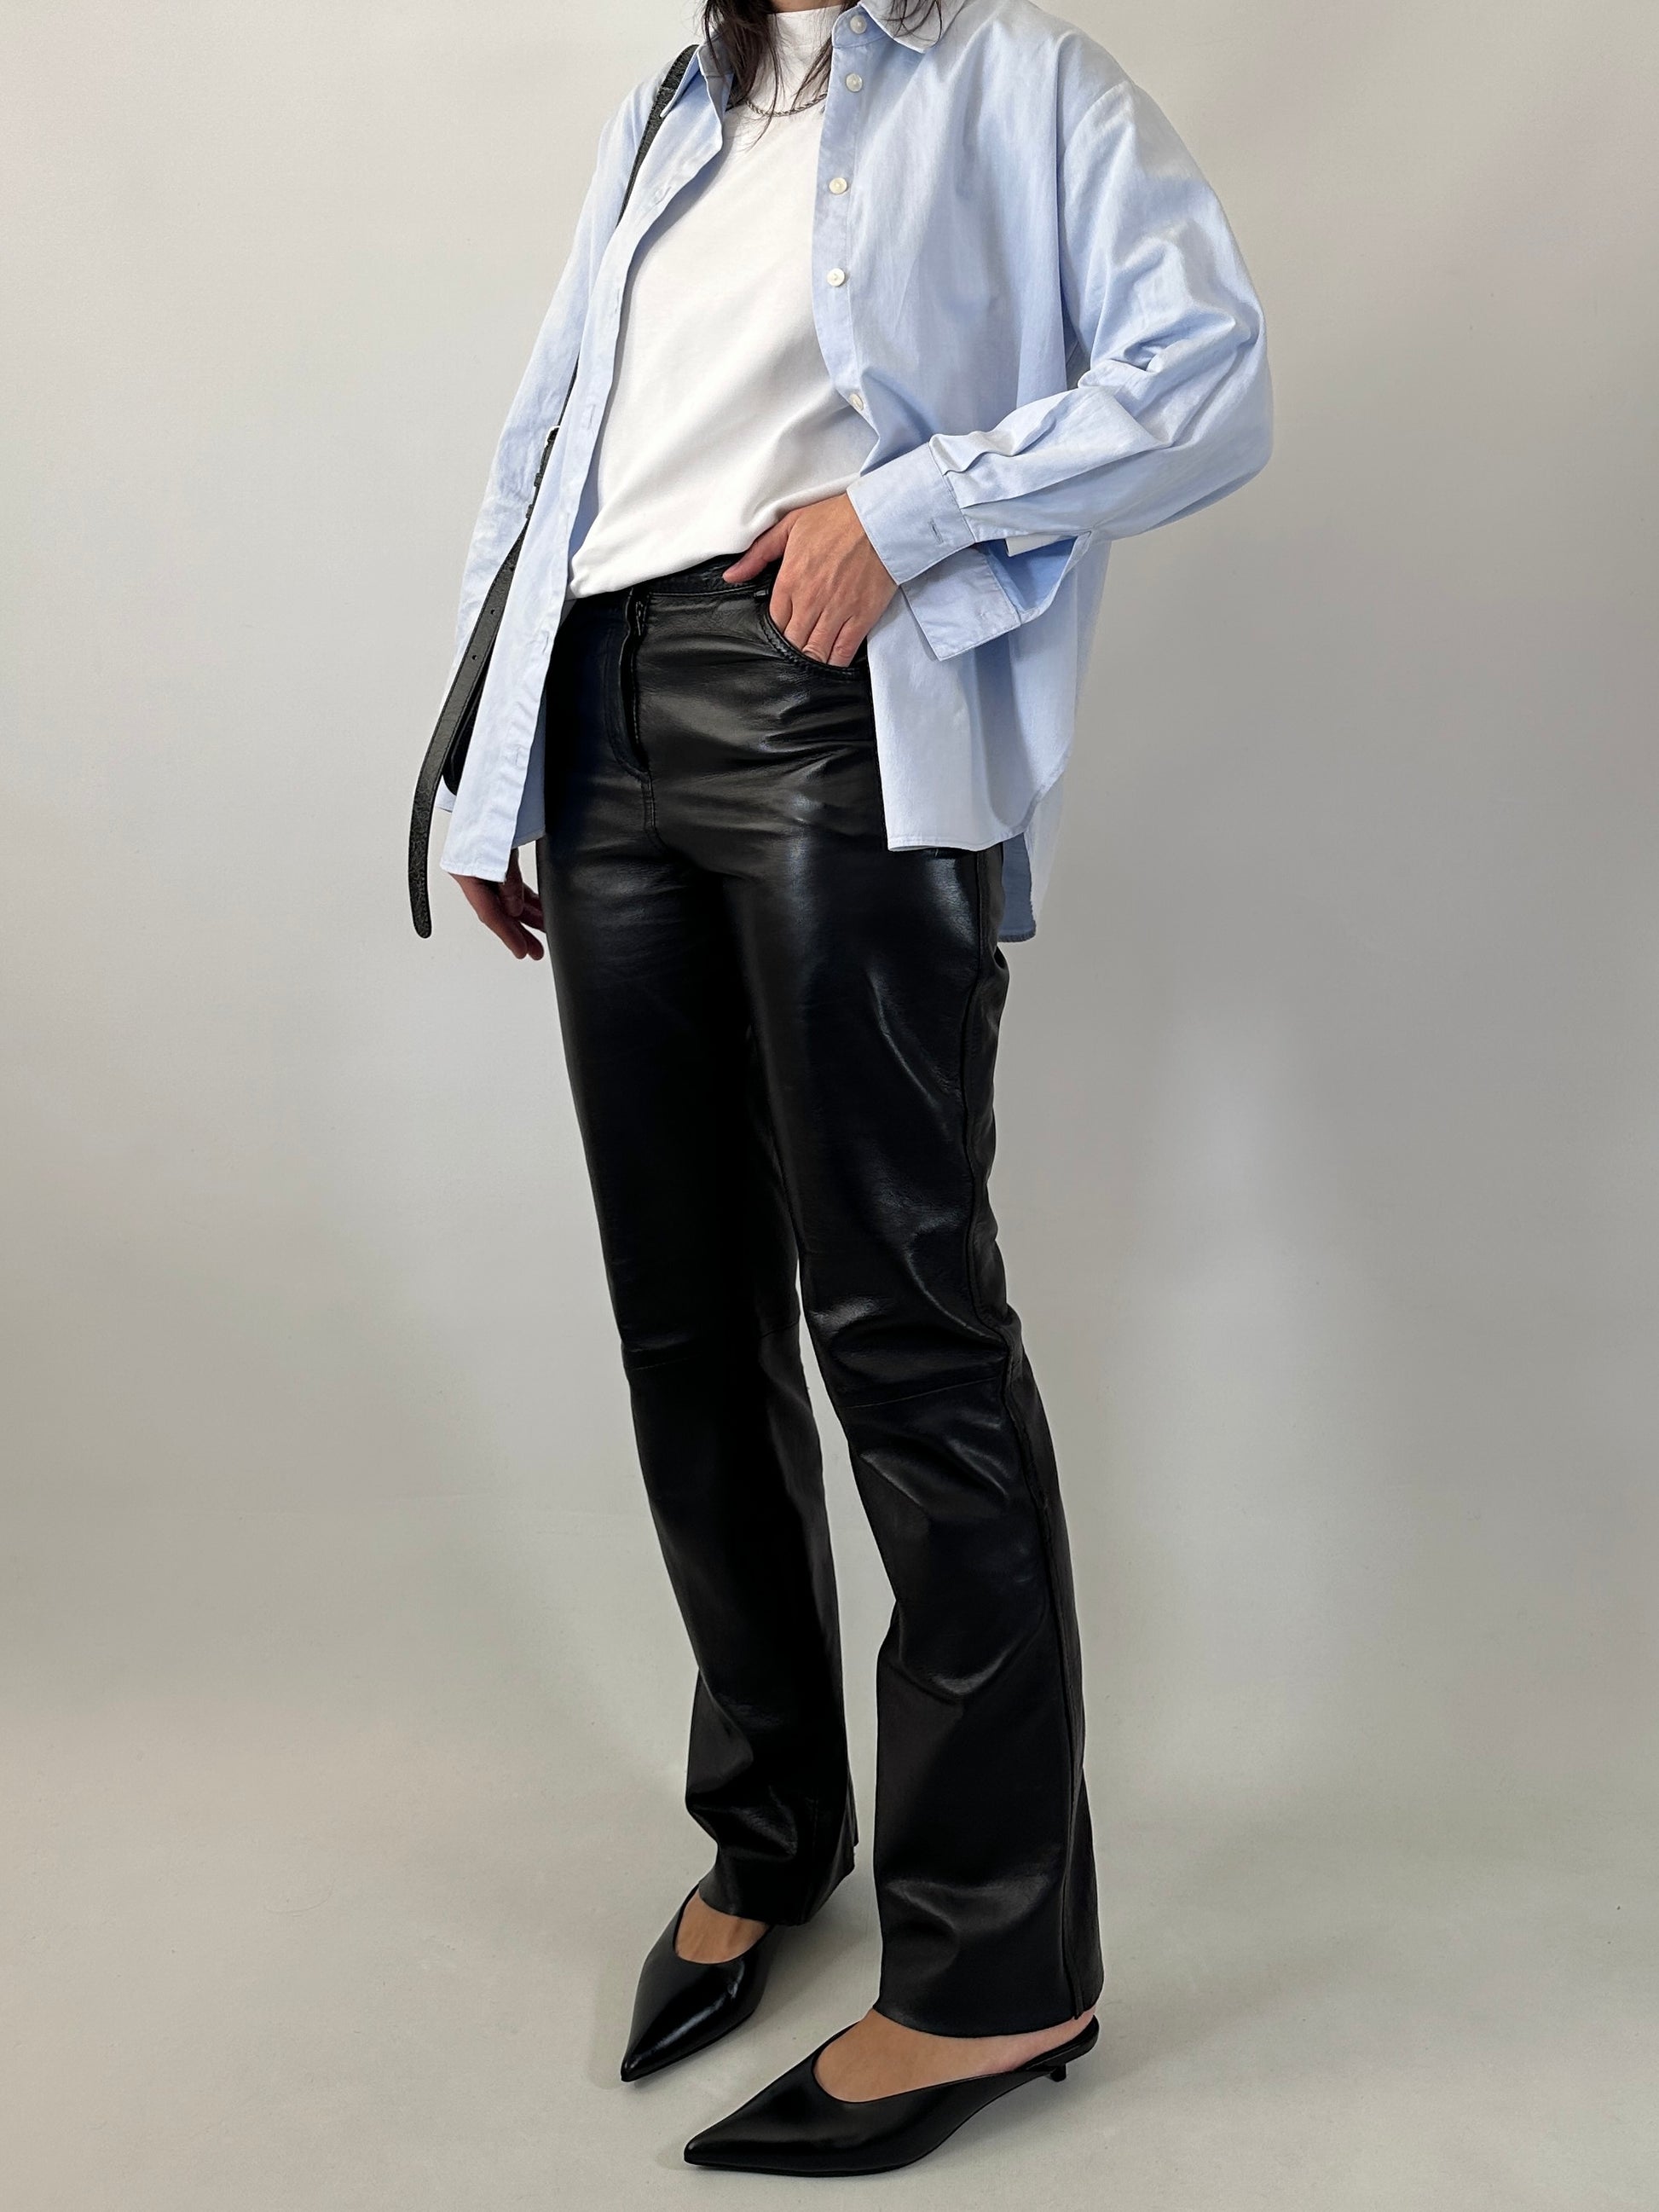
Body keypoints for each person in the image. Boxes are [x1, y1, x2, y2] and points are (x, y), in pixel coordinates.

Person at [432, 0, 1269, 2176]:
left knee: (903, 1326)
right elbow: (562, 429)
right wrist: (494, 748)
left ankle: (998, 1969)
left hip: (827, 698)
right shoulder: (673, 100)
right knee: (684, 1324)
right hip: (602, 705)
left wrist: (908, 510)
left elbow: (1206, 370)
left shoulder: (1023, 84)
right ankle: (773, 1824)